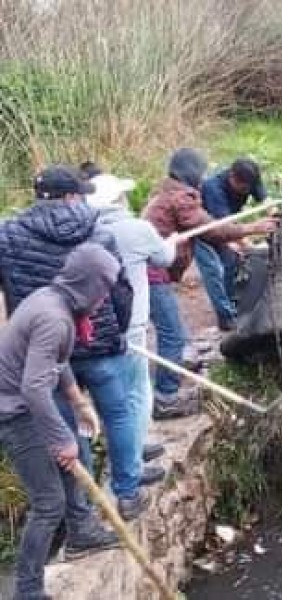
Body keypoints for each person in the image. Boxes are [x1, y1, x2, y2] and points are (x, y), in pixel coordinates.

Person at [0, 165, 151, 520]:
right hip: (98, 341)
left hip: (44, 346)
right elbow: (121, 289)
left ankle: (82, 511)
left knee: (66, 426)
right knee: (118, 413)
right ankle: (127, 493)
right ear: (70, 196)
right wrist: (117, 333)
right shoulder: (98, 230)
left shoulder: (9, 236)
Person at [0, 243, 122, 600]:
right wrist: (61, 440)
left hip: (24, 401)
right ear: (88, 284)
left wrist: (77, 402)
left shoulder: (52, 300)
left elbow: (57, 360)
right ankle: (28, 591)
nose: (104, 298)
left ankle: (82, 533)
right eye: (104, 288)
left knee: (76, 464)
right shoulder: (54, 317)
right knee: (48, 503)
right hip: (13, 411)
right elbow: (35, 387)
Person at [143, 148, 277, 420]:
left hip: (150, 269)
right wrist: (252, 228)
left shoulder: (168, 190)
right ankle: (166, 398)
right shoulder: (181, 198)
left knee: (173, 329)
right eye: (200, 172)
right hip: (150, 272)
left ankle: (178, 362)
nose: (204, 177)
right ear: (189, 173)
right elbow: (212, 229)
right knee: (171, 333)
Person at [84, 170, 179, 492]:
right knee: (136, 396)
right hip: (131, 326)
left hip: (93, 331)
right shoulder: (138, 229)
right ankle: (132, 463)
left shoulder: (85, 231)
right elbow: (164, 258)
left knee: (112, 399)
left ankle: (129, 452)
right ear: (117, 200)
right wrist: (171, 242)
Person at [198, 158, 268, 331]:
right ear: (232, 178)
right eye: (243, 188)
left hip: (230, 223)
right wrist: (246, 243)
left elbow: (265, 201)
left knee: (239, 259)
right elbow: (224, 229)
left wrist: (274, 213)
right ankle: (226, 316)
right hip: (208, 229)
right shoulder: (213, 189)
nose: (247, 191)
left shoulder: (250, 177)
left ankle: (237, 301)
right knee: (222, 265)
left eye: (249, 188)